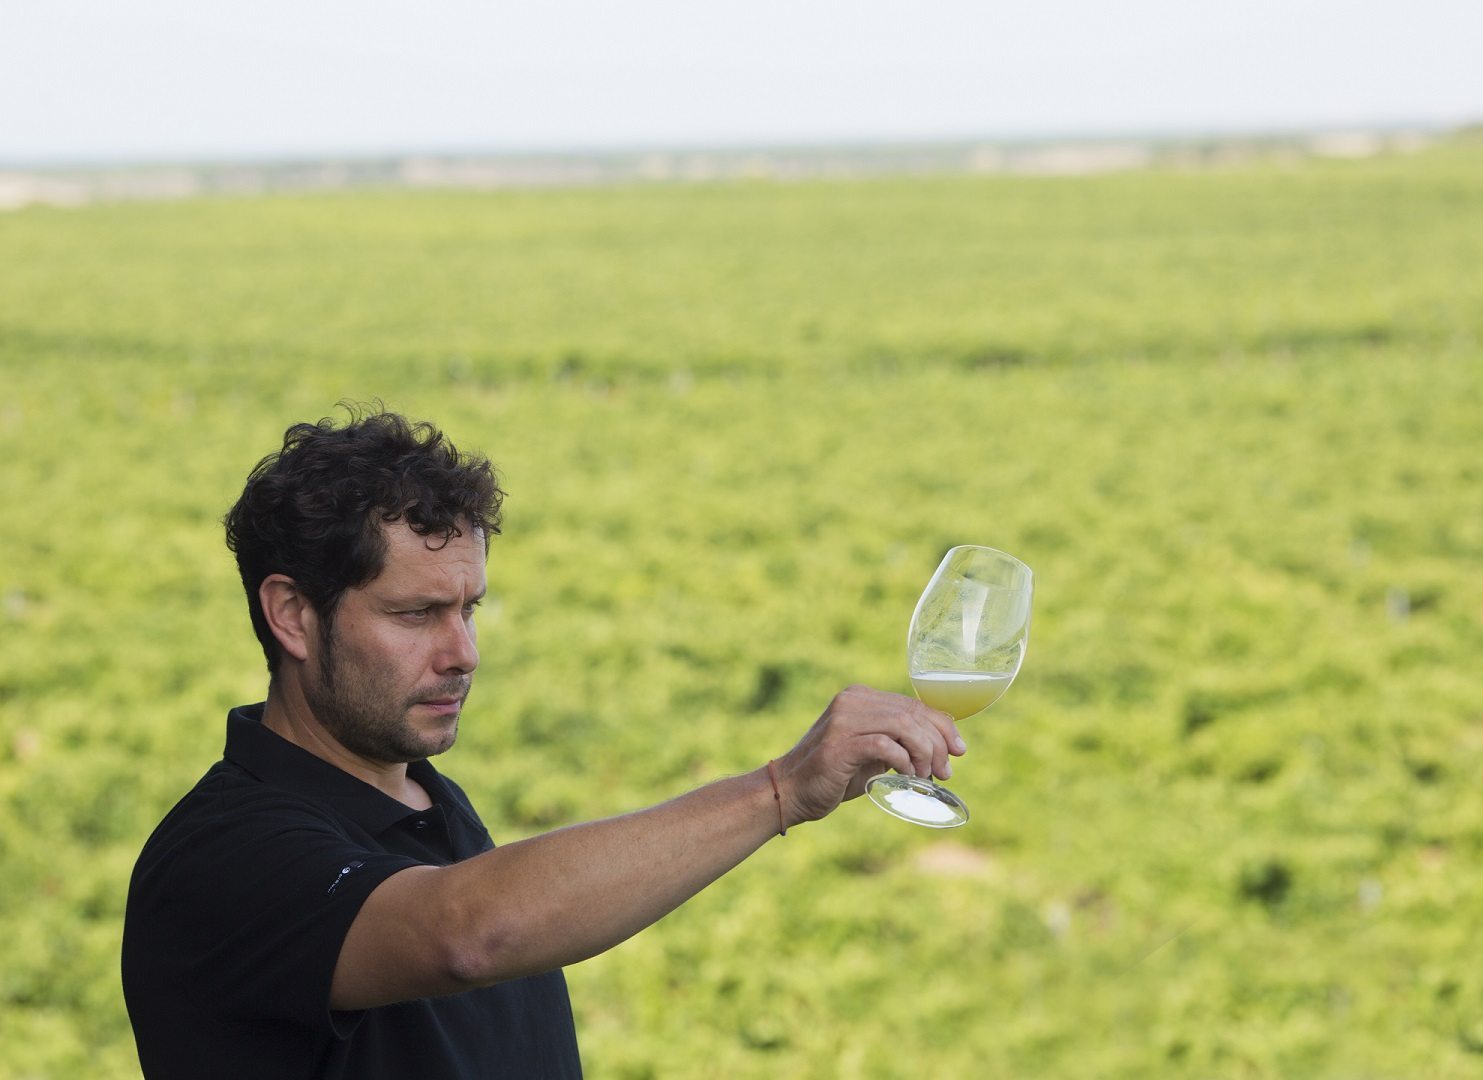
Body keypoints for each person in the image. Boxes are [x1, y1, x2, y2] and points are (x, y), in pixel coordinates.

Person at [122, 407, 964, 1079]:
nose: (463, 653)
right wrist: (779, 791)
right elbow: (466, 932)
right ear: (292, 616)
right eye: (416, 615)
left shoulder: (419, 794)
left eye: (470, 608)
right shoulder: (221, 859)